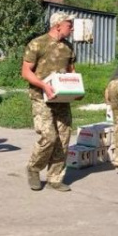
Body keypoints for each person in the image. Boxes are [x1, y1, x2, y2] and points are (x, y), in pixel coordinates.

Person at [21, 12, 77, 192]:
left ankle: (55, 177)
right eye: (69, 24)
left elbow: (71, 71)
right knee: (49, 136)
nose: (72, 28)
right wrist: (44, 86)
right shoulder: (38, 43)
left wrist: (76, 88)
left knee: (64, 137)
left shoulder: (68, 47)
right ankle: (34, 168)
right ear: (58, 25)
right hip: (41, 97)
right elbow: (26, 72)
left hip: (61, 99)